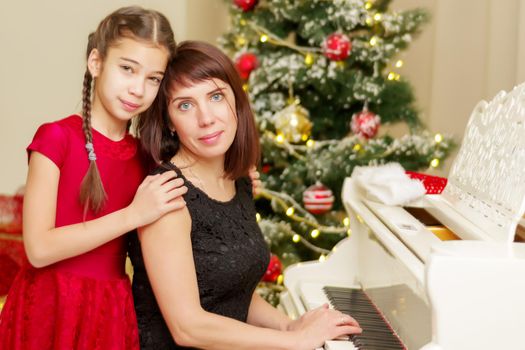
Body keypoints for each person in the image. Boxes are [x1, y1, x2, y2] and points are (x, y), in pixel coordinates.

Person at [129, 40, 362, 350]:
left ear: (235, 101)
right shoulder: (168, 197)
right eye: (185, 105)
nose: (206, 118)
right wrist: (293, 340)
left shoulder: (238, 181)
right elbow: (188, 328)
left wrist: (288, 324)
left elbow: (231, 291)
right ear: (170, 123)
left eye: (215, 97)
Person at [0, 6, 187, 350]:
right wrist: (132, 215)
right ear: (96, 62)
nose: (138, 89)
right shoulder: (56, 138)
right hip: (48, 306)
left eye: (153, 78)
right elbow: (39, 249)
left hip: (109, 313)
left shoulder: (145, 157)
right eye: (127, 69)